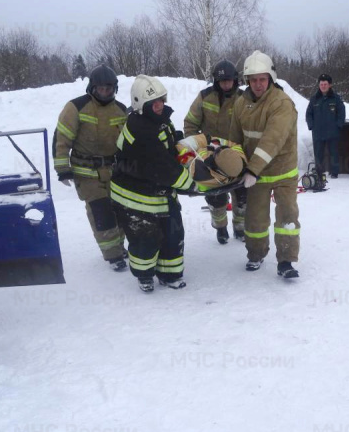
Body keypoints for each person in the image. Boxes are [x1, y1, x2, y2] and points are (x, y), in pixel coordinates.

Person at [110, 75, 195, 292]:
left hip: (159, 190)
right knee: (145, 239)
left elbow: (166, 147)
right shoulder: (140, 128)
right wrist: (192, 184)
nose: (159, 106)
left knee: (173, 234)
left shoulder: (158, 120)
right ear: (141, 104)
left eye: (161, 100)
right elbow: (162, 166)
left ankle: (170, 274)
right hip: (136, 197)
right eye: (153, 102)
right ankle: (144, 275)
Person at [229, 50, 301, 279]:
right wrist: (232, 165)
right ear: (247, 81)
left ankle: (286, 260)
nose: (258, 84)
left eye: (262, 79)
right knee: (255, 219)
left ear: (270, 78)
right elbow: (235, 139)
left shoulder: (282, 103)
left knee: (286, 216)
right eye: (253, 79)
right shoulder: (241, 104)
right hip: (255, 174)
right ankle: (256, 254)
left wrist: (251, 169)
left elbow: (273, 139)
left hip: (282, 172)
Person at [53, 64, 128, 271]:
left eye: (109, 89)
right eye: (101, 89)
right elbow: (61, 139)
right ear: (92, 88)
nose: (105, 93)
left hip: (114, 170)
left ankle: (120, 247)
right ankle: (113, 255)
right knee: (101, 212)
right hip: (86, 172)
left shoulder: (121, 110)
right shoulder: (76, 107)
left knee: (119, 210)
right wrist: (62, 168)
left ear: (115, 89)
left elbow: (128, 142)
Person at [184, 59, 247, 244]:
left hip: (236, 154)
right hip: (210, 155)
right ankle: (220, 228)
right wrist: (198, 146)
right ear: (216, 81)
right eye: (222, 81)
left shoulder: (243, 99)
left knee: (242, 195)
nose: (225, 84)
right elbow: (190, 124)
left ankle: (240, 227)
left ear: (235, 80)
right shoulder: (204, 97)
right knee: (215, 198)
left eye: (228, 81)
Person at [305, 73, 345, 179]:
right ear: (319, 85)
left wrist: (339, 125)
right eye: (321, 84)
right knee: (318, 154)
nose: (323, 86)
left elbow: (341, 112)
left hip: (333, 131)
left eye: (325, 84)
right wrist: (311, 125)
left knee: (334, 153)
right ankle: (319, 171)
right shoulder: (314, 99)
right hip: (318, 132)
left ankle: (334, 172)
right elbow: (309, 114)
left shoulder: (336, 98)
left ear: (330, 85)